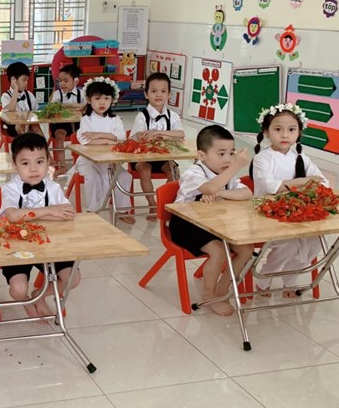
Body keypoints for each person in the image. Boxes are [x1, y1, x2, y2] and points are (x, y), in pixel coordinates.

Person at [168, 125, 253, 315]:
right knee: (219, 251)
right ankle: (208, 296)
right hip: (185, 224)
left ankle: (222, 289)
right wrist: (236, 166)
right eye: (221, 154)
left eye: (231, 153)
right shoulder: (194, 173)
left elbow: (247, 193)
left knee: (246, 249)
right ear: (202, 155)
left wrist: (221, 193)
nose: (228, 159)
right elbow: (208, 188)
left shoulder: (227, 175)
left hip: (216, 224)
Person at [250, 103, 329, 297]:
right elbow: (271, 187)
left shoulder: (301, 158)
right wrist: (303, 182)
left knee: (315, 241)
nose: (285, 135)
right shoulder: (262, 158)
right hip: (266, 213)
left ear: (299, 132)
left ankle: (290, 278)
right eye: (278, 129)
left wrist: (300, 186)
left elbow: (323, 183)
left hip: (297, 211)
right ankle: (264, 279)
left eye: (291, 130)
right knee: (289, 244)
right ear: (266, 132)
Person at [0, 133, 80, 318]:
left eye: (39, 162)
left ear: (48, 161)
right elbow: (12, 216)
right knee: (18, 289)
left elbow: (68, 214)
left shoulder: (53, 188)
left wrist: (27, 216)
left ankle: (39, 296)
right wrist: (50, 211)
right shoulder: (10, 188)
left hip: (50, 244)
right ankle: (25, 300)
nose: (34, 169)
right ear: (14, 165)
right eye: (25, 163)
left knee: (73, 278)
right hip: (16, 247)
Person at [72, 78, 134, 223]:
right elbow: (86, 141)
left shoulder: (115, 119)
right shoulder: (86, 119)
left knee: (125, 177)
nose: (102, 102)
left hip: (110, 160)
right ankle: (93, 210)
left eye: (106, 98)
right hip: (88, 160)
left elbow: (121, 137)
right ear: (89, 100)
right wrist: (109, 140)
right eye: (97, 98)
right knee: (93, 177)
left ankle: (123, 210)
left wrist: (99, 135)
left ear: (112, 100)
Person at [129, 71, 185, 219]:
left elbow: (180, 134)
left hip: (164, 157)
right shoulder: (142, 116)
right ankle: (152, 204)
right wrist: (154, 135)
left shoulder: (173, 116)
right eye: (154, 91)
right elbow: (138, 136)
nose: (158, 95)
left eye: (163, 91)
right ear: (146, 94)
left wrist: (159, 133)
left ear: (169, 94)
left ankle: (163, 202)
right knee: (145, 170)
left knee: (175, 173)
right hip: (143, 157)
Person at [49, 64, 85, 173]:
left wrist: (66, 106)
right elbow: (53, 107)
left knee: (84, 138)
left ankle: (81, 165)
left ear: (76, 81)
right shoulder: (57, 94)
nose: (62, 84)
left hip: (78, 124)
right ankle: (62, 165)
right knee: (59, 137)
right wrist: (75, 106)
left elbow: (86, 106)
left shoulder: (82, 93)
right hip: (60, 124)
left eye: (66, 81)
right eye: (60, 81)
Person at [0, 62, 43, 138]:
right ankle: (25, 141)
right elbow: (11, 109)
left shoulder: (29, 95)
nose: (26, 83)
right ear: (14, 80)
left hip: (29, 124)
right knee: (20, 125)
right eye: (24, 80)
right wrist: (16, 89)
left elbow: (35, 113)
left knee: (36, 127)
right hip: (13, 127)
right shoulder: (5, 96)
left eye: (27, 80)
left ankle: (43, 144)